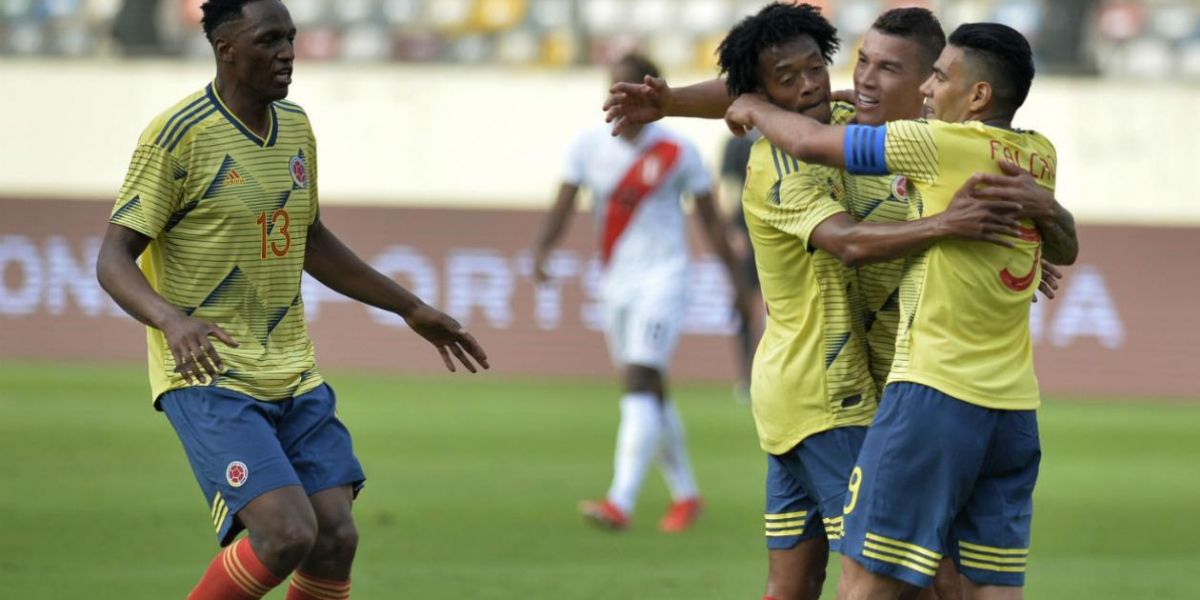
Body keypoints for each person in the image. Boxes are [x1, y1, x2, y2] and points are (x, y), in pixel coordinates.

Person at [95, 1, 489, 598]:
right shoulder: (178, 136)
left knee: (335, 539)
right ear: (227, 48)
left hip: (292, 372)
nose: (288, 52)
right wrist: (170, 320)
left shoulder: (296, 127)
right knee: (285, 534)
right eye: (270, 39)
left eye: (292, 38)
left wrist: (409, 307)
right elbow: (112, 258)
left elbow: (308, 237)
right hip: (211, 374)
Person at [723, 21, 1078, 600]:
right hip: (992, 403)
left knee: (873, 581)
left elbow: (809, 139)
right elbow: (1064, 244)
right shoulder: (1037, 154)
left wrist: (750, 107)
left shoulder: (928, 143)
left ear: (973, 93)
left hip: (917, 395)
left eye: (931, 76)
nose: (925, 92)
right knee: (953, 580)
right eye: (862, 63)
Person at [531, 53, 753, 533]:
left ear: (648, 90)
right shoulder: (589, 146)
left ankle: (620, 501)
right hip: (616, 283)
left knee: (639, 378)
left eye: (627, 86)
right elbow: (564, 202)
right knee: (649, 390)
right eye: (613, 86)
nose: (619, 95)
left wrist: (736, 283)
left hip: (665, 279)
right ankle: (687, 496)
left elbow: (711, 223)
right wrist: (543, 249)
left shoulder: (678, 150)